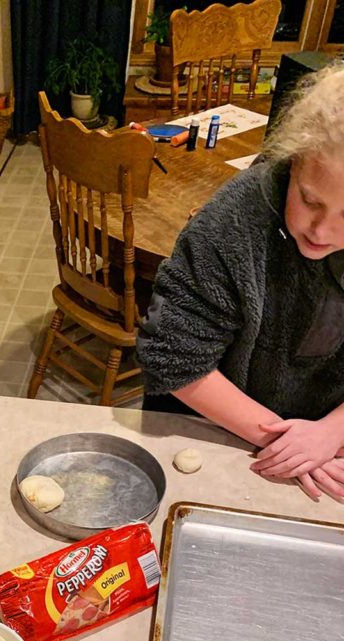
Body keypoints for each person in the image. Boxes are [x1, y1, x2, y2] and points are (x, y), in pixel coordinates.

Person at [136, 62, 344, 501]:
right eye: (309, 200)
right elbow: (174, 359)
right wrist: (290, 444)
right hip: (219, 430)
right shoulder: (233, 223)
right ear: (294, 160)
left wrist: (328, 432)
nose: (322, 232)